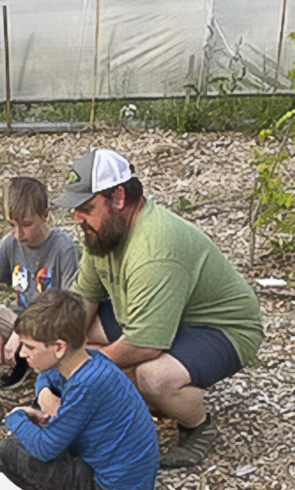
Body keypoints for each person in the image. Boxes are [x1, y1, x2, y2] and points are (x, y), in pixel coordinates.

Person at [53, 149, 264, 467]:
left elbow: (145, 342)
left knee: (153, 377)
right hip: (158, 313)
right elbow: (84, 299)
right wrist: (63, 352)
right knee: (81, 337)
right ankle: (132, 393)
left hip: (221, 328)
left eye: (86, 208)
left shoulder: (154, 247)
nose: (77, 219)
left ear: (119, 197)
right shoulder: (102, 233)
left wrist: (82, 370)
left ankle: (197, 428)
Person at [0, 291, 159, 490]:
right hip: (129, 481)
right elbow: (47, 375)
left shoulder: (86, 385)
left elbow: (45, 448)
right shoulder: (91, 359)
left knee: (9, 453)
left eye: (29, 347)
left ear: (59, 347)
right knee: (38, 422)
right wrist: (44, 396)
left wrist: (17, 416)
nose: (21, 354)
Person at [0, 177, 78, 388]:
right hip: (17, 315)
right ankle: (23, 358)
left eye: (27, 225)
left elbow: (67, 307)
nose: (18, 234)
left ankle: (30, 360)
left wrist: (21, 334)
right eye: (11, 224)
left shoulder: (62, 247)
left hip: (49, 323)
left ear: (44, 215)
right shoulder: (9, 243)